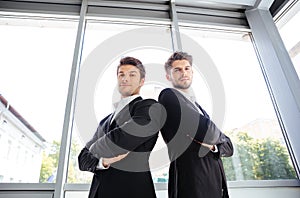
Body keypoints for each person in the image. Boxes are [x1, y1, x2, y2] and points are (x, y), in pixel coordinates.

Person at [78, 56, 163, 198]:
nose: (125, 79)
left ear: (142, 81)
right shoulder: (105, 120)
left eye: (132, 74)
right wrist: (102, 161)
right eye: (121, 74)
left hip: (132, 190)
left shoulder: (148, 107)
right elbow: (82, 160)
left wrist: (92, 150)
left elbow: (124, 137)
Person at [158, 51, 234, 198]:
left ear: (192, 72)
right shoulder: (168, 96)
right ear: (168, 76)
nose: (183, 73)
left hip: (215, 186)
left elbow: (229, 147)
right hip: (191, 184)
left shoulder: (198, 107)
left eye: (187, 68)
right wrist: (219, 139)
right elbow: (208, 132)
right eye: (177, 70)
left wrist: (214, 146)